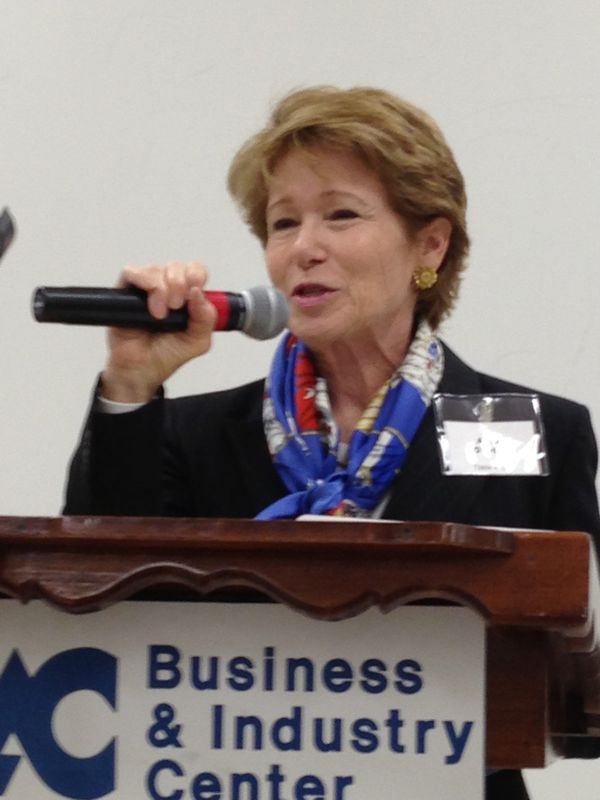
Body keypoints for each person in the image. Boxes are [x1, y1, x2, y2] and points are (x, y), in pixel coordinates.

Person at [64, 86, 600, 798]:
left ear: (430, 244)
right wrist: (131, 383)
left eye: (341, 215)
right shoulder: (190, 435)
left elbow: (586, 684)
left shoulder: (530, 428)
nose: (303, 248)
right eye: (283, 223)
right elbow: (93, 599)